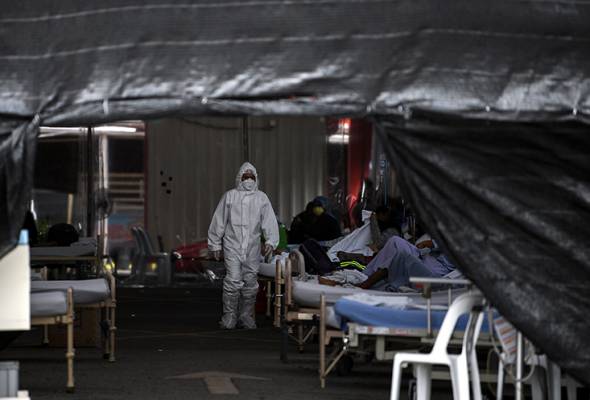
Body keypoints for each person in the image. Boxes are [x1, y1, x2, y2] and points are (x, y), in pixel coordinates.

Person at [208, 162, 279, 329]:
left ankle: (246, 316)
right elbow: (219, 220)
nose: (248, 179)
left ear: (256, 178)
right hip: (232, 245)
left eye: (251, 176)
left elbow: (269, 221)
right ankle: (229, 316)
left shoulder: (261, 198)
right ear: (239, 178)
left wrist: (270, 241)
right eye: (245, 176)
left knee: (250, 281)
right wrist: (215, 244)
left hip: (253, 246)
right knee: (233, 280)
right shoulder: (230, 196)